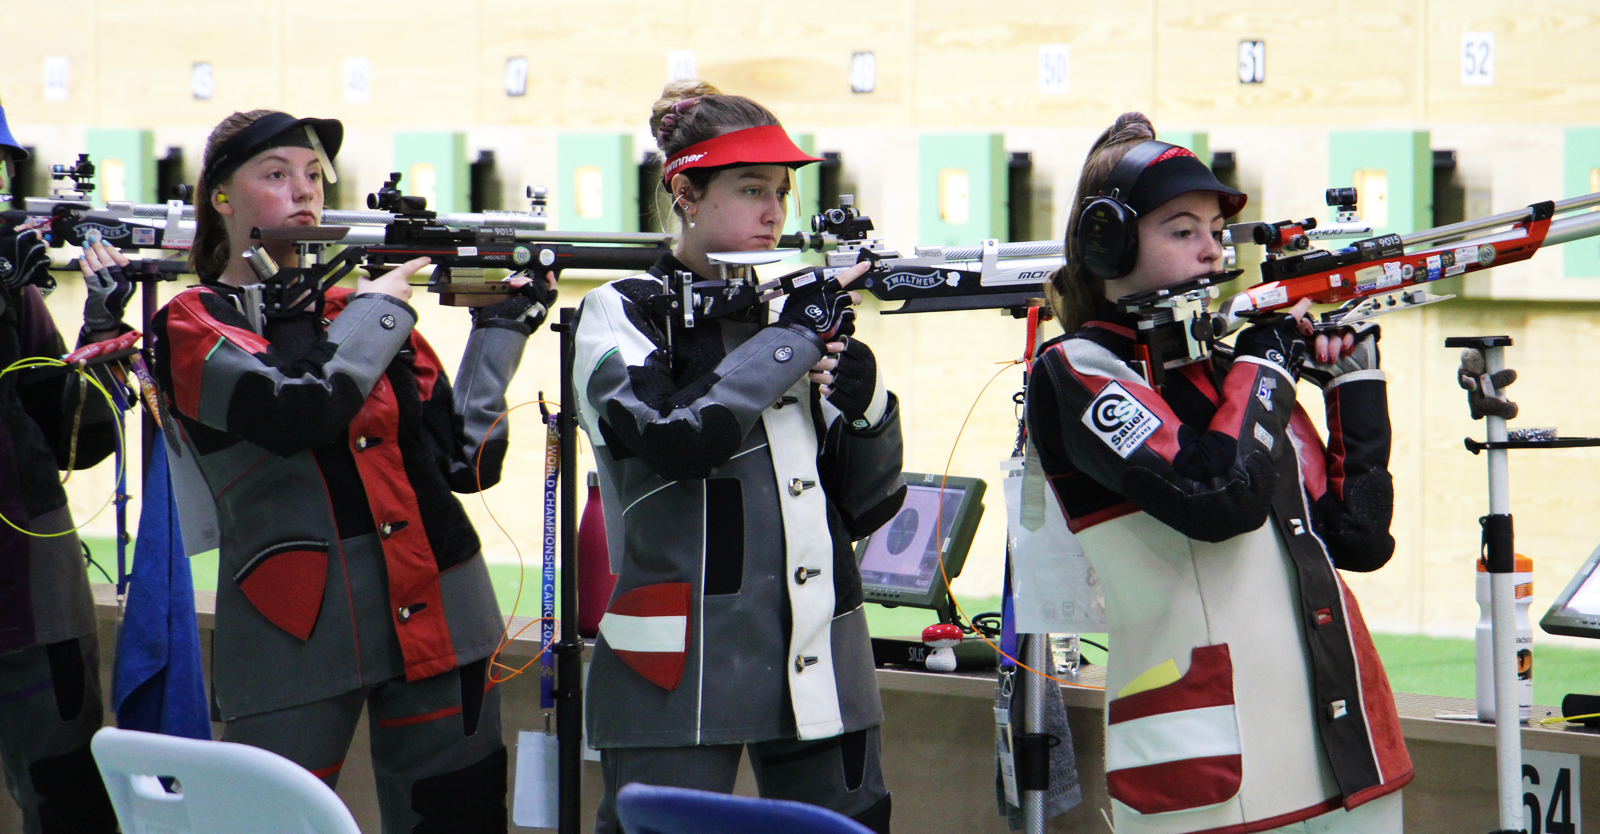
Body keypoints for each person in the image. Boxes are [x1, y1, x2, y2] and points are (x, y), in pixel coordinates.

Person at [146, 109, 554, 833]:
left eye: (313, 176)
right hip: (293, 629)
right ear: (220, 198)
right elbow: (298, 411)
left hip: (443, 609)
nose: (303, 192)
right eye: (275, 175)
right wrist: (373, 316)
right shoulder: (192, 319)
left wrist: (499, 333)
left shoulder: (359, 310)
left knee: (459, 818)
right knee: (260, 824)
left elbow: (468, 462)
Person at [1023, 112, 1412, 834]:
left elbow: (1358, 537)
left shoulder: (1233, 376)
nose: (1211, 250)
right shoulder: (1078, 369)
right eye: (1182, 230)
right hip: (1207, 769)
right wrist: (1269, 363)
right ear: (1108, 245)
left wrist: (1355, 382)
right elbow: (1216, 498)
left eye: (1216, 230)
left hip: (1345, 748)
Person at [573, 80, 904, 833]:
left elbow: (866, 506)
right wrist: (792, 342)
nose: (773, 212)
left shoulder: (787, 312)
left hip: (819, 651)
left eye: (781, 193)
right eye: (751, 188)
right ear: (686, 192)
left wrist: (868, 406)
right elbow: (676, 438)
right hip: (677, 664)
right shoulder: (619, 311)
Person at [0, 99, 123, 832]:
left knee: (70, 805)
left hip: (31, 597)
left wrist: (99, 338)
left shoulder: (13, 296)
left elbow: (80, 439)